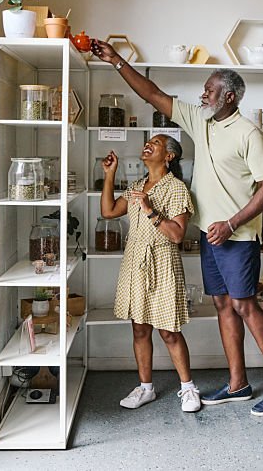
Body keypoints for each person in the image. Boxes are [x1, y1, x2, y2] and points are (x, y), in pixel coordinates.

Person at [91, 39, 263, 417]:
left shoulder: (248, 133)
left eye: (210, 90)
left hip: (238, 236)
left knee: (244, 305)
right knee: (222, 305)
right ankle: (238, 383)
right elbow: (153, 94)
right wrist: (116, 61)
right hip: (209, 234)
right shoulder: (200, 120)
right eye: (204, 89)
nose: (203, 95)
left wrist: (233, 221)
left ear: (230, 97)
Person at [100, 133, 201, 413]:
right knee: (139, 329)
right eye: (148, 141)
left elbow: (178, 235)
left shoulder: (177, 188)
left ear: (169, 156)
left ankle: (188, 388)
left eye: (156, 143)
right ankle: (145, 388)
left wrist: (148, 208)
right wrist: (110, 174)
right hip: (135, 260)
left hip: (163, 260)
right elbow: (108, 211)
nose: (148, 144)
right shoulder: (136, 186)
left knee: (169, 331)